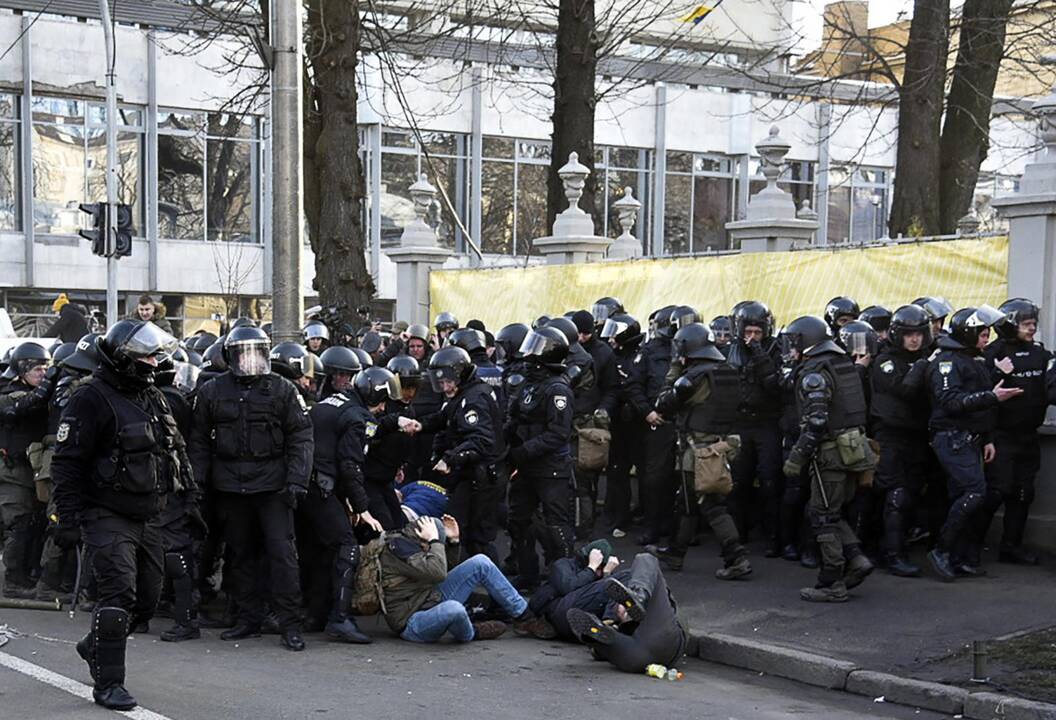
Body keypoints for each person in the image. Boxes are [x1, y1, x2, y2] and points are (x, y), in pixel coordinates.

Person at [50, 320, 193, 710]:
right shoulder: (90, 398)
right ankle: (109, 683)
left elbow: (173, 449)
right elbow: (66, 464)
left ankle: (95, 644)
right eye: (146, 356)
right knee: (119, 593)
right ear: (124, 359)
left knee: (147, 600)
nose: (153, 362)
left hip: (148, 514)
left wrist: (190, 502)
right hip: (105, 511)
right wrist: (67, 519)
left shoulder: (151, 395)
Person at [187, 326, 314, 651]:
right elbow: (199, 441)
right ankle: (248, 618)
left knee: (282, 555)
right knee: (240, 555)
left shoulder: (282, 390)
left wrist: (297, 480)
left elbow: (301, 436)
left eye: (255, 353)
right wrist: (197, 483)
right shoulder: (213, 390)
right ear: (230, 356)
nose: (249, 360)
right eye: (243, 353)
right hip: (230, 487)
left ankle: (290, 623)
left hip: (273, 487)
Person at [781, 315, 876, 602]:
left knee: (822, 516)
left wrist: (797, 456)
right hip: (853, 448)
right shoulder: (842, 362)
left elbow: (817, 421)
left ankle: (831, 582)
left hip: (830, 453)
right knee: (830, 512)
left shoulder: (814, 372)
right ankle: (856, 559)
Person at [926, 306, 1025, 581]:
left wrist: (988, 438)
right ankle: (942, 551)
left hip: (972, 438)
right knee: (974, 493)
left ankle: (958, 556)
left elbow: (981, 403)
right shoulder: (948, 362)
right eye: (982, 334)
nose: (986, 339)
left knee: (965, 496)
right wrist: (994, 397)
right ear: (968, 334)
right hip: (951, 437)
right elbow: (951, 402)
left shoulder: (974, 361)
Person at [652, 323, 751, 580]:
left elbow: (663, 403)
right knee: (687, 502)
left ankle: (736, 557)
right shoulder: (726, 371)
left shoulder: (692, 378)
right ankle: (675, 552)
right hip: (719, 445)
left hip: (697, 450)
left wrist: (674, 369)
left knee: (709, 504)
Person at [979, 299, 1055, 565]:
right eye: (1026, 324)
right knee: (996, 491)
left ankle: (1011, 547)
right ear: (1010, 325)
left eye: (1034, 323)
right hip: (1000, 436)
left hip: (1028, 436)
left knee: (1023, 492)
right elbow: (977, 395)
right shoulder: (993, 354)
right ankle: (972, 546)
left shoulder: (1041, 354)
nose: (1032, 328)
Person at [379, 515, 533, 642]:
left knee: (481, 562)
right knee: (454, 609)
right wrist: (435, 541)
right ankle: (472, 632)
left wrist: (453, 542)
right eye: (431, 542)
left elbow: (444, 572)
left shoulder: (415, 544)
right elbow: (438, 573)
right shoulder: (399, 550)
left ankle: (525, 616)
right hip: (411, 622)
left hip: (429, 597)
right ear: (421, 539)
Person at [418, 346, 504, 561]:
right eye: (441, 382)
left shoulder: (474, 399)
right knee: (462, 530)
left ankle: (495, 587)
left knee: (477, 537)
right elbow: (444, 417)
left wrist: (450, 458)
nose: (445, 387)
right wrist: (419, 425)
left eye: (449, 381)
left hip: (480, 477)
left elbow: (481, 440)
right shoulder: (463, 395)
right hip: (470, 474)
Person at [505, 326, 575, 589]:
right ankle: (528, 573)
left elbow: (558, 434)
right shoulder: (529, 385)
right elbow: (516, 420)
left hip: (551, 469)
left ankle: (564, 577)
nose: (528, 356)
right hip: (526, 468)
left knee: (558, 525)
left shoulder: (558, 390)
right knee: (518, 521)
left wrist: (523, 451)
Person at [869, 305, 932, 577]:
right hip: (891, 435)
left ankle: (895, 546)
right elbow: (904, 389)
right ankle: (891, 554)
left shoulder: (924, 358)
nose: (914, 339)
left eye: (918, 333)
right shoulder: (886, 361)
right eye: (908, 334)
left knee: (913, 492)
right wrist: (922, 365)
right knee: (895, 492)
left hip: (917, 435)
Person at [565, 553, 687, 674]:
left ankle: (598, 639)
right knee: (645, 558)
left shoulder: (623, 588)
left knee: (608, 635)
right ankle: (638, 598)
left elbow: (612, 590)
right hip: (662, 642)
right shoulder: (642, 582)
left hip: (634, 659)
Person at [726, 301, 784, 554]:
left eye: (757, 333)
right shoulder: (729, 351)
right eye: (747, 333)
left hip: (766, 422)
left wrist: (760, 353)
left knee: (770, 479)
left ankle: (774, 537)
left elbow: (775, 385)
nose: (751, 338)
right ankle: (737, 536)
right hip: (739, 423)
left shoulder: (775, 350)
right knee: (738, 482)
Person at [0, 342, 54, 598]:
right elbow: (27, 404)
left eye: (46, 369)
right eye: (37, 369)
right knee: (19, 523)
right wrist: (51, 381)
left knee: (37, 523)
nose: (42, 373)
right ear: (22, 369)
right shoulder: (8, 393)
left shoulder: (46, 394)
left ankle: (29, 573)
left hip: (35, 471)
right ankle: (13, 580)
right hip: (13, 472)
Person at [625, 305, 677, 545]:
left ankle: (676, 528)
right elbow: (634, 385)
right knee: (654, 478)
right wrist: (647, 412)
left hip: (683, 424)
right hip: (657, 422)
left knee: (679, 479)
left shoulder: (693, 349)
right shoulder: (647, 352)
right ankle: (652, 526)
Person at [598, 313, 646, 537]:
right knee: (617, 471)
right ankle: (618, 515)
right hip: (617, 422)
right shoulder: (612, 357)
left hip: (637, 423)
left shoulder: (640, 357)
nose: (610, 341)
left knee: (644, 472)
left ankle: (639, 514)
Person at [527, 540, 623, 640]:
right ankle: (608, 622)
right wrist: (591, 568)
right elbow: (568, 587)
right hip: (559, 610)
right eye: (599, 568)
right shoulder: (563, 565)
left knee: (621, 581)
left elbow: (601, 597)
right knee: (616, 581)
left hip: (582, 614)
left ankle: (609, 624)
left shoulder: (601, 576)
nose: (599, 573)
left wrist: (607, 573)